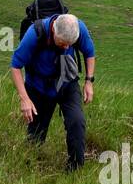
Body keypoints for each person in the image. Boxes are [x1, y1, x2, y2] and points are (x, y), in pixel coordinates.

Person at [9, 13, 96, 170]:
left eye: (71, 44)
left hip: (67, 83)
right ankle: (30, 168)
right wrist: (25, 99)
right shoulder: (34, 34)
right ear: (54, 32)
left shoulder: (78, 27)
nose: (67, 47)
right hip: (39, 87)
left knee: (77, 122)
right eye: (63, 43)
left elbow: (89, 52)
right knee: (35, 137)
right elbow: (15, 66)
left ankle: (75, 169)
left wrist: (89, 81)